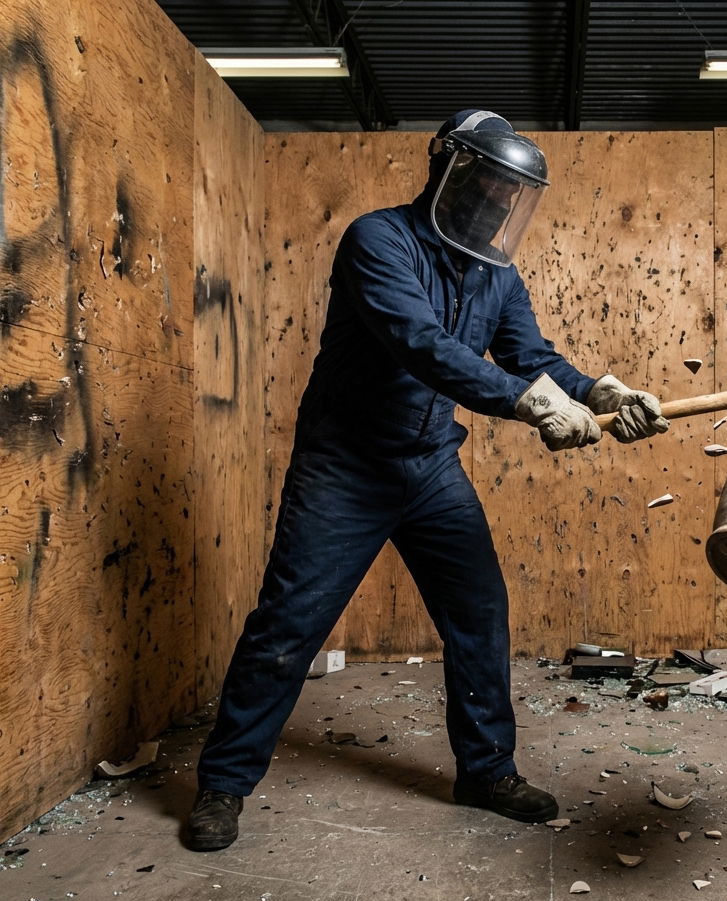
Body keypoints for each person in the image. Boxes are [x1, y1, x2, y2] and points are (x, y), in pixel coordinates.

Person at [184, 109, 669, 851]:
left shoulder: (498, 275)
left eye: (516, 192)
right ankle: (222, 785)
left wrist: (600, 391)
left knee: (479, 615)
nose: (503, 202)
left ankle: (485, 772)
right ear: (450, 169)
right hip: (344, 468)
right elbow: (423, 345)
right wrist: (531, 404)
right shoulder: (378, 240)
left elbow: (532, 356)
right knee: (288, 627)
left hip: (431, 466)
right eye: (495, 183)